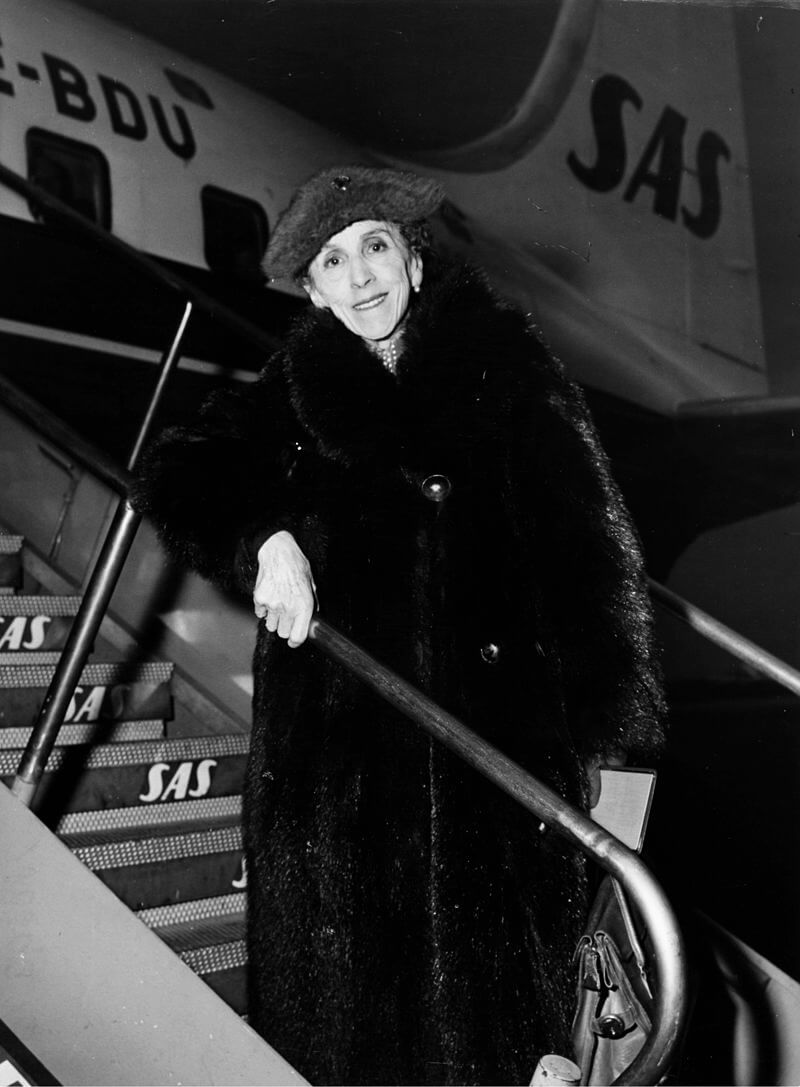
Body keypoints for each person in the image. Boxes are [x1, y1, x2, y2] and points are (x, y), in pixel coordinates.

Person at [132, 165, 666, 1086]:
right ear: (313, 290)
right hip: (335, 788)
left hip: (499, 783)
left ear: (414, 261)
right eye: (333, 262)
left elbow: (596, 572)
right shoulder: (293, 390)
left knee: (501, 1044)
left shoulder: (510, 368)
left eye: (377, 246)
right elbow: (179, 470)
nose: (362, 276)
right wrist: (264, 539)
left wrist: (617, 781)